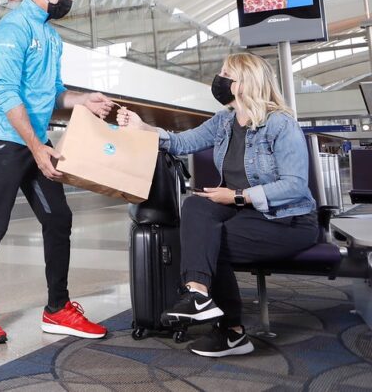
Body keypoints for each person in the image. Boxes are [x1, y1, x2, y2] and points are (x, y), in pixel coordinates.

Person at [117, 52, 318, 358]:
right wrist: (144, 129)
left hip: (287, 220)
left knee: (212, 241)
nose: (219, 79)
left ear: (244, 83)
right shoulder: (225, 121)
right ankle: (197, 293)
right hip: (246, 214)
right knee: (196, 207)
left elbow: (295, 186)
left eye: (226, 74)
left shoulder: (280, 125)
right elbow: (182, 142)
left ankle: (232, 332)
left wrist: (236, 196)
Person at [0, 0, 116, 345]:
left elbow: (54, 94)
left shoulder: (52, 37)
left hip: (34, 138)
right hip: (4, 139)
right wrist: (37, 148)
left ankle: (57, 309)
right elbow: (5, 93)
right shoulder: (12, 29)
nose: (69, 2)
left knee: (59, 218)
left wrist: (85, 100)